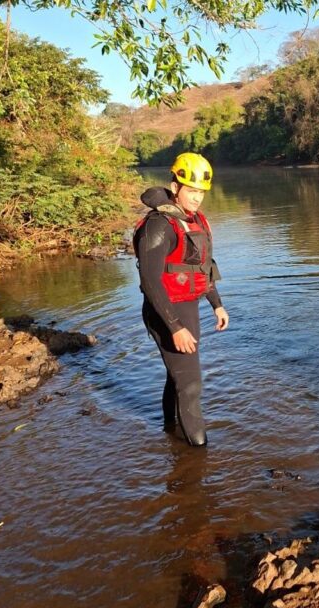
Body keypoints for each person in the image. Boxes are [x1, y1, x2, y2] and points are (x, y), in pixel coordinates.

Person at [133, 152, 228, 446]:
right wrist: (175, 327)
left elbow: (201, 268)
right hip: (165, 312)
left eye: (201, 192)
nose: (197, 198)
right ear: (175, 187)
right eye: (192, 191)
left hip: (188, 308)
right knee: (190, 384)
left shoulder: (195, 220)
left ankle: (171, 436)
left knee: (178, 376)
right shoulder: (159, 225)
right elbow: (149, 282)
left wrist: (217, 303)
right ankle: (198, 453)